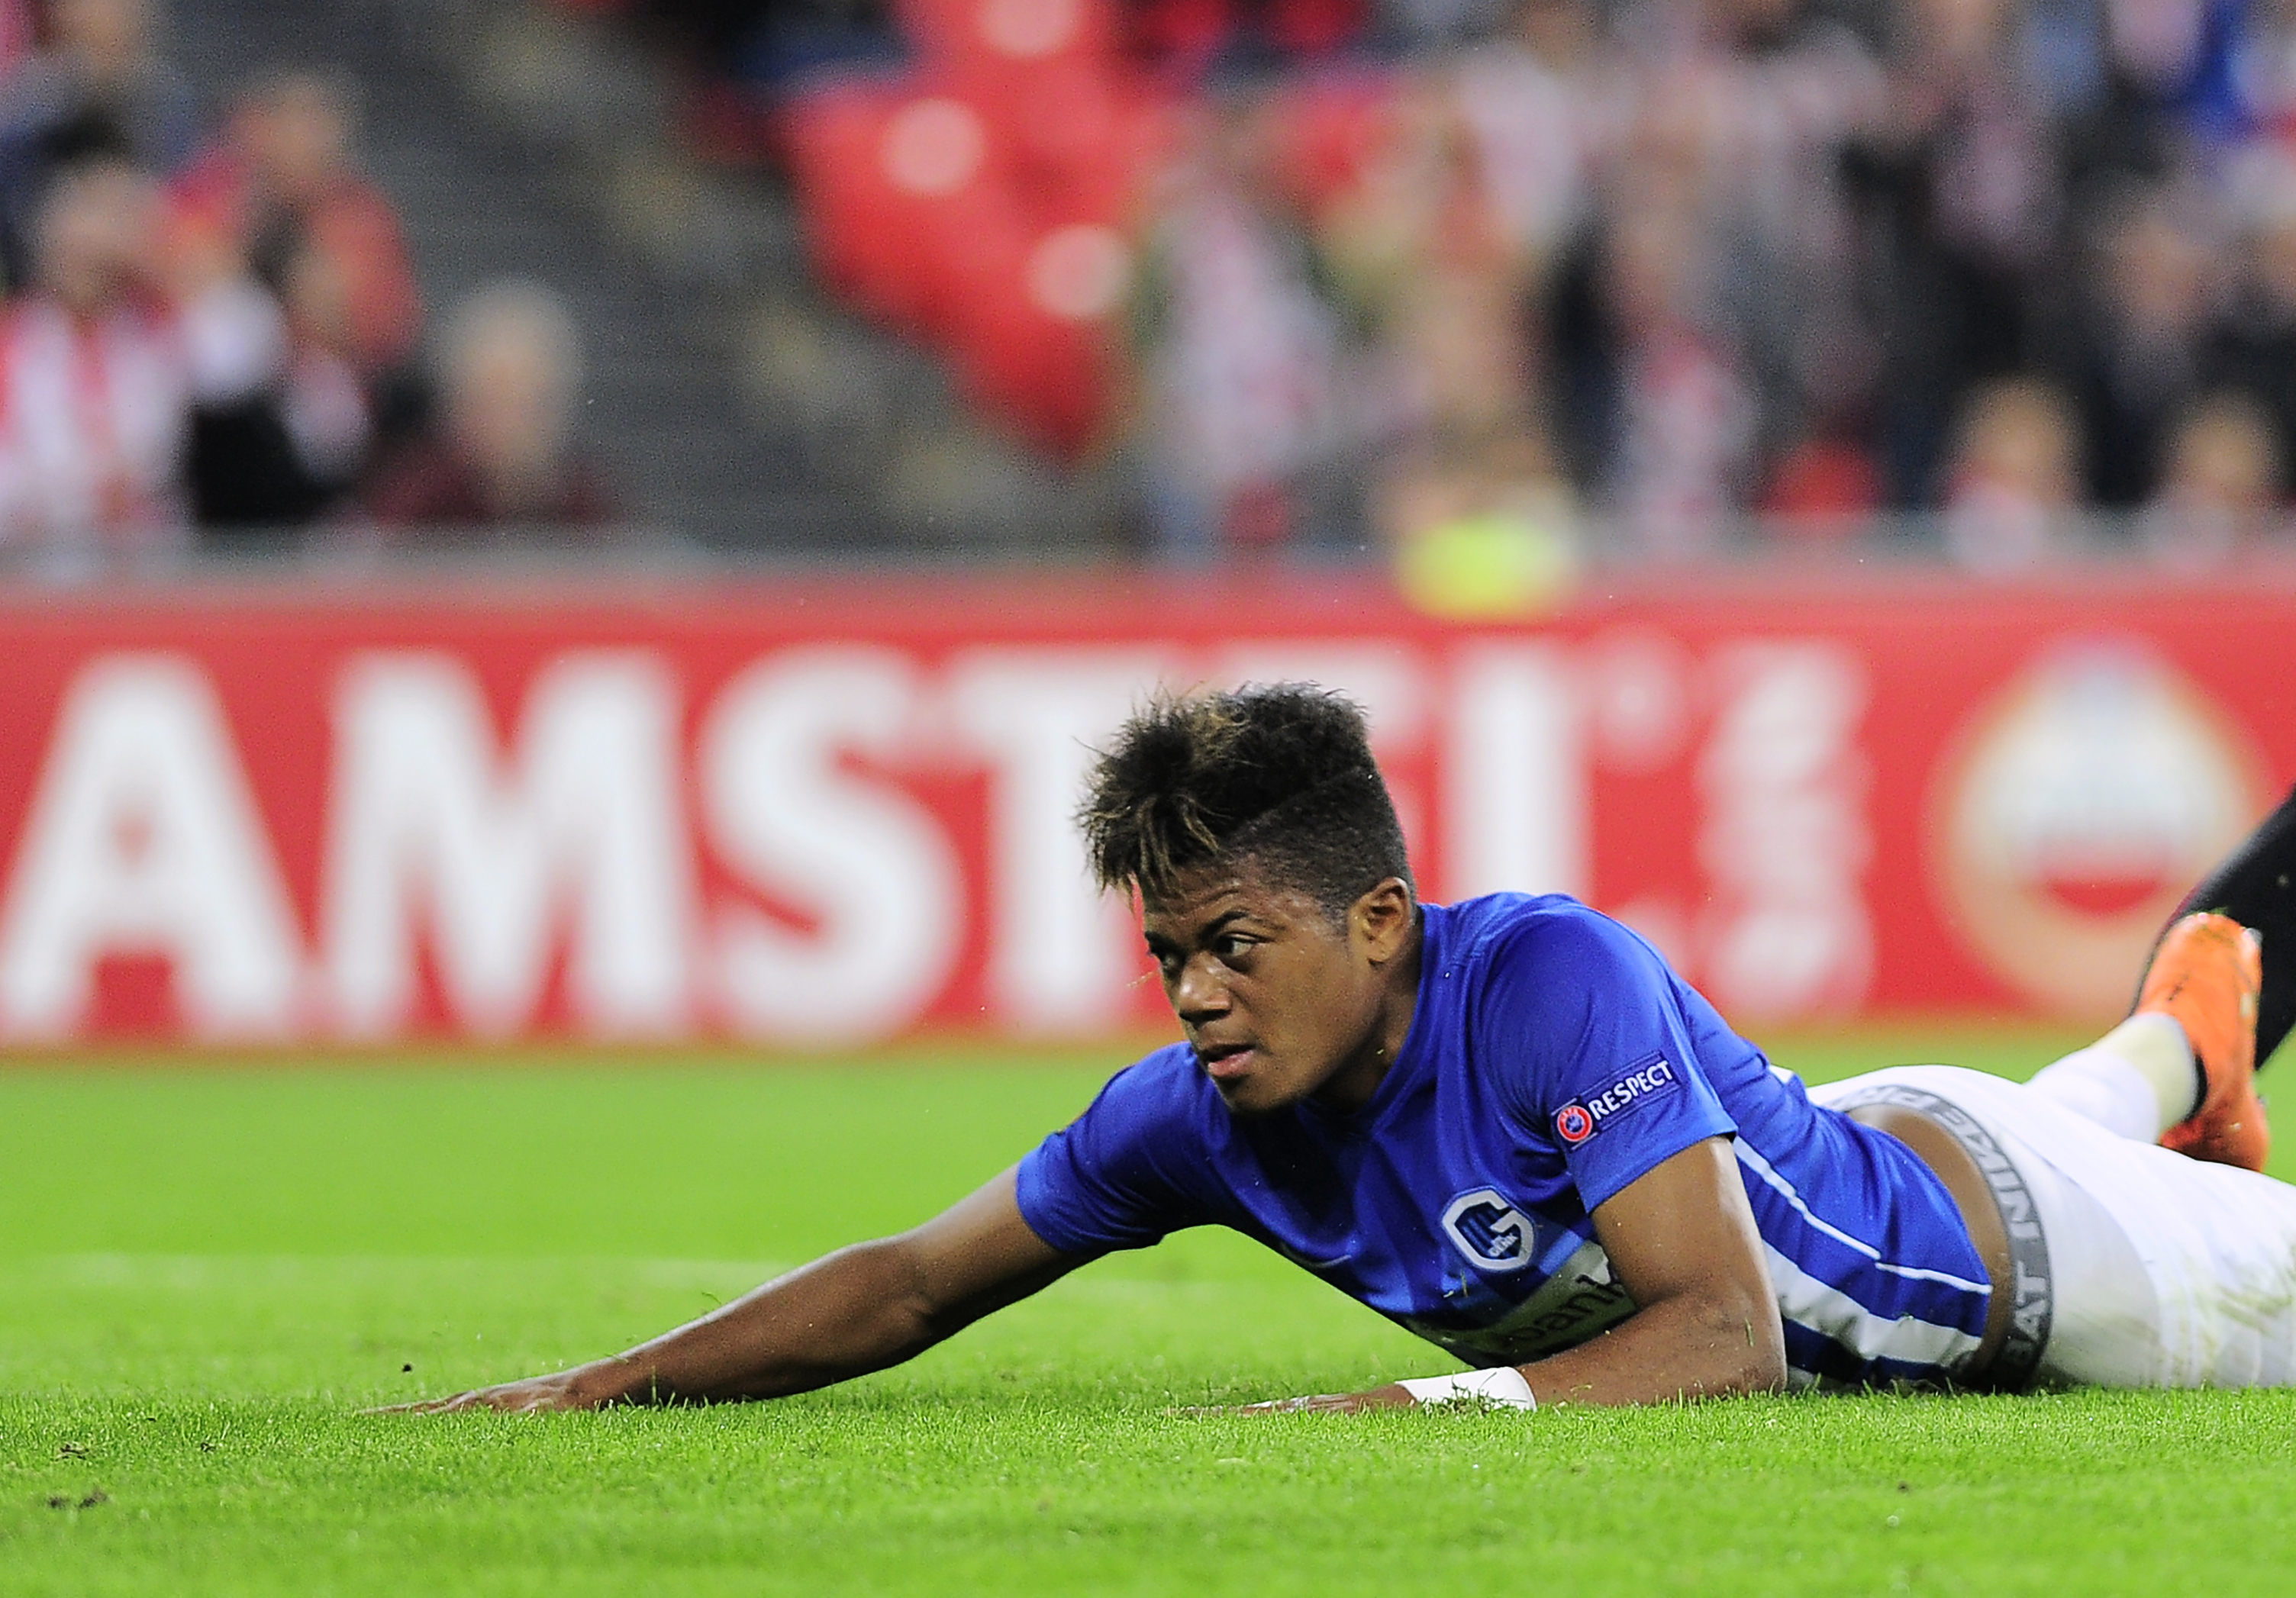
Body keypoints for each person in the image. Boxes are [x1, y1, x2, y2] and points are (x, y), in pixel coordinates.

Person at [402, 683, 2296, 1414]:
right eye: (1168, 957)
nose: (1197, 995)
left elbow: (1721, 1332)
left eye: (1237, 945)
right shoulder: (1196, 1123)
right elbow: (908, 1285)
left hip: (2062, 1267)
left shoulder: (1545, 975)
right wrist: (586, 1392)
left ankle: (2163, 1071)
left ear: (1380, 921)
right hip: (1877, 1141)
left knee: (2076, 1168)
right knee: (2032, 1108)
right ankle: (2173, 1053)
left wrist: (1398, 1417)